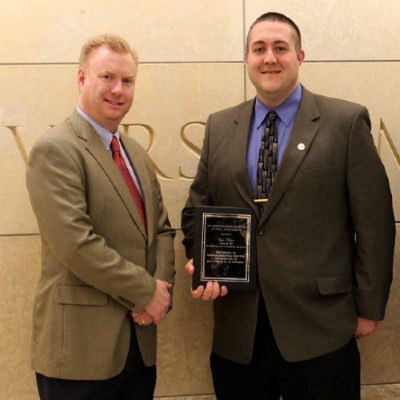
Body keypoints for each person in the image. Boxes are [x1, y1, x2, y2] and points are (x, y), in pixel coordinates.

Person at [181, 12, 395, 400]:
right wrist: (200, 263)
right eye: (259, 49)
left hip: (321, 329)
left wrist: (370, 307)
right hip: (239, 333)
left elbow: (376, 224)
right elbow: (197, 212)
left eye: (281, 48)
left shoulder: (345, 122)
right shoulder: (219, 126)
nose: (270, 58)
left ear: (300, 55)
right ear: (246, 58)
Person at [26, 34, 175, 400]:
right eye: (107, 77)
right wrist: (145, 294)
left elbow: (162, 231)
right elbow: (76, 245)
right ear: (81, 78)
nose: (118, 90)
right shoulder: (56, 150)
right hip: (79, 353)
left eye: (127, 81)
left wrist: (162, 293)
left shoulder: (136, 153)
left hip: (138, 349)